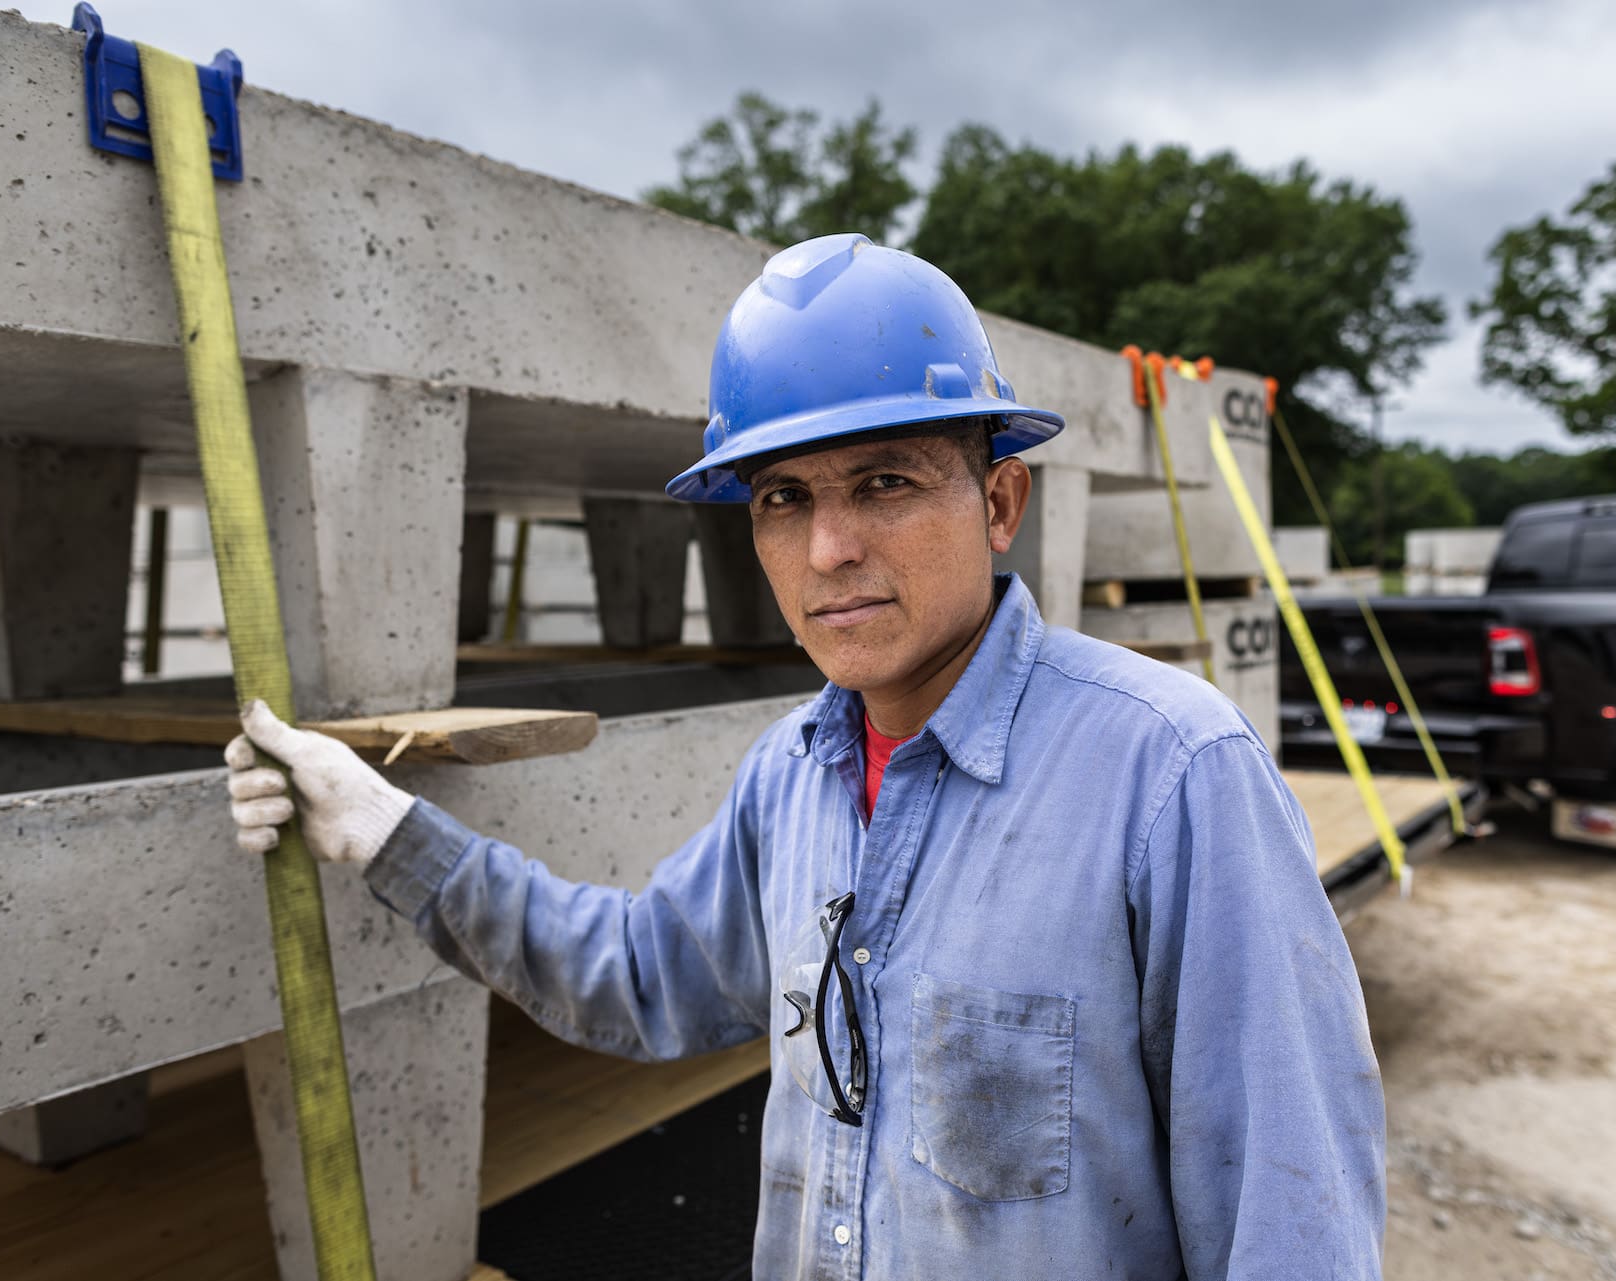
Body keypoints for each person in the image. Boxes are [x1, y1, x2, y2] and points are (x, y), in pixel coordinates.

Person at [225, 232, 1386, 1278]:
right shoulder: (793, 777)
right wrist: (386, 834)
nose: (830, 547)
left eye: (884, 481)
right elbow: (640, 979)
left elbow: (1293, 1222)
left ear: (999, 500)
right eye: (784, 497)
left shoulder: (1169, 775)